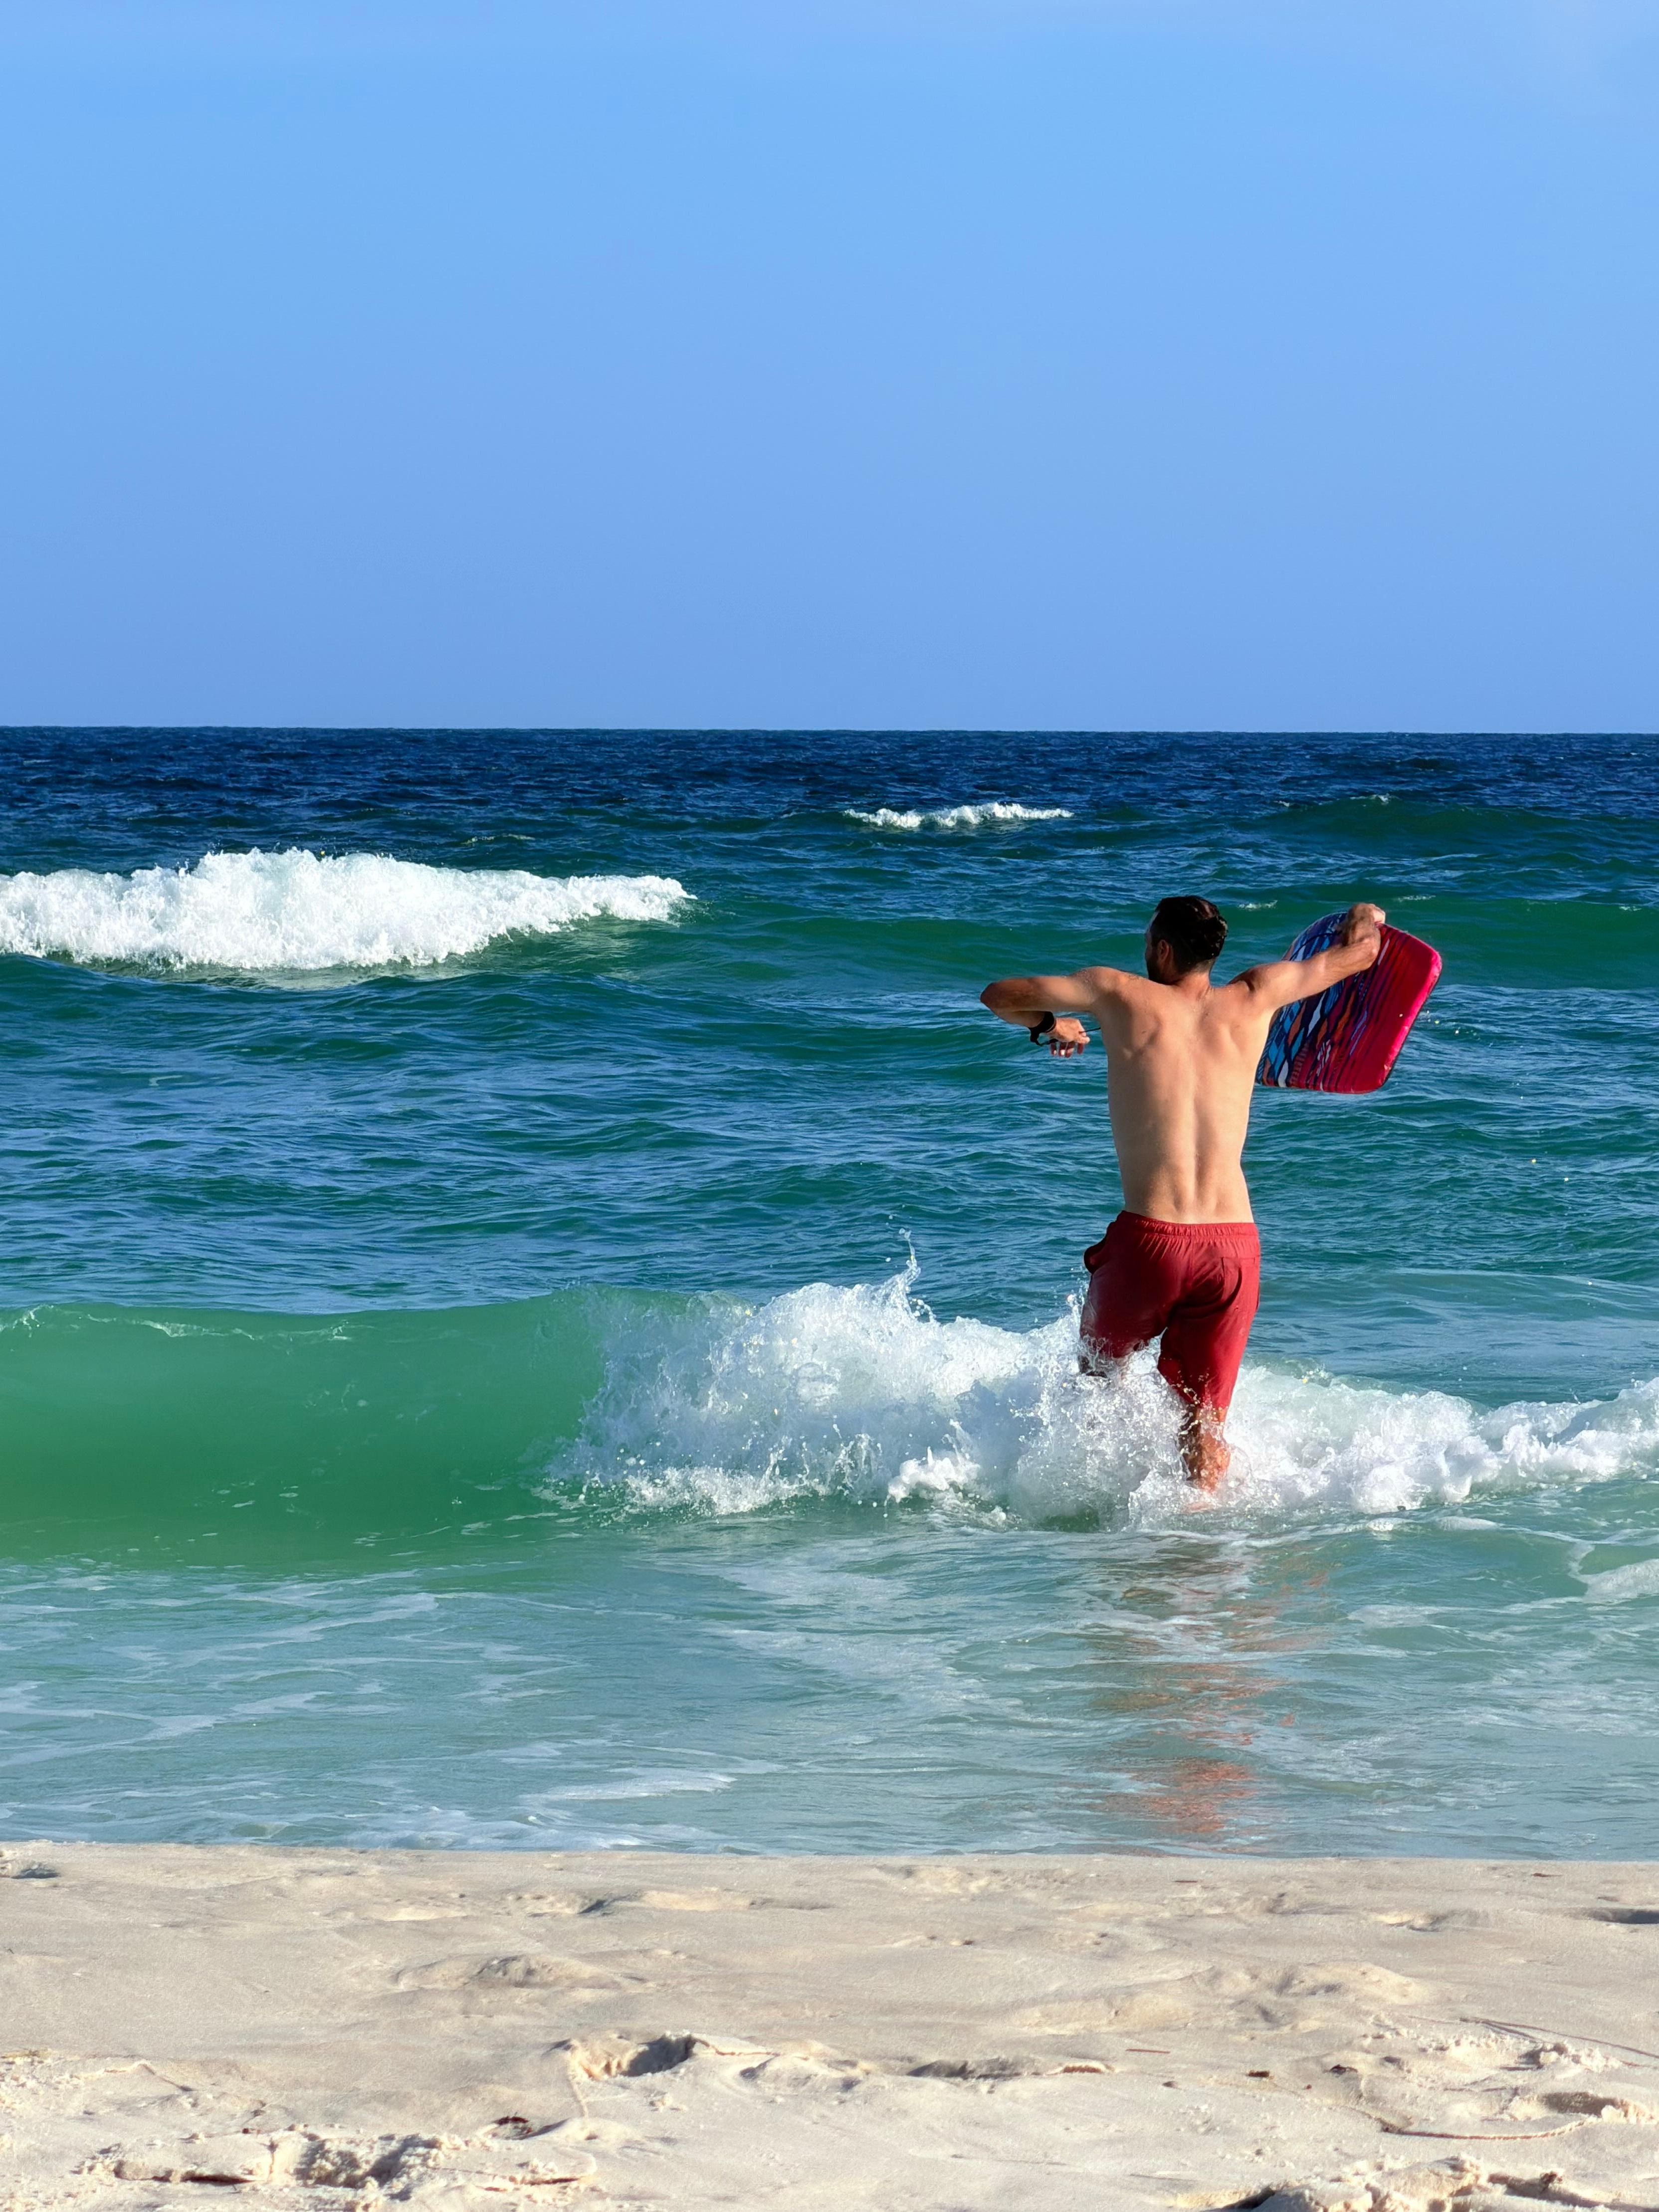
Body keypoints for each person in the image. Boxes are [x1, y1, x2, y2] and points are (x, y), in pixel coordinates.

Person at [980, 896, 1385, 1493]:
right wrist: (1363, 914)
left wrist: (1050, 1024)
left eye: (1147, 939)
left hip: (1151, 1241)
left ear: (1162, 949)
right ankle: (1198, 1548)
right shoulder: (1257, 994)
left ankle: (1089, 1517)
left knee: (1096, 1382)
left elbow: (1000, 994)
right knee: (1203, 1422)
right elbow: (1360, 956)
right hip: (1233, 1249)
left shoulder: (1115, 992)